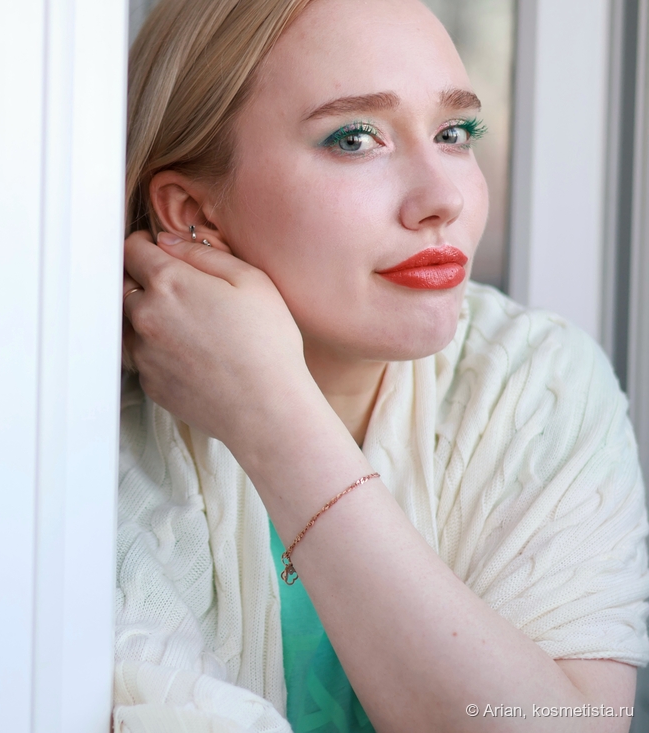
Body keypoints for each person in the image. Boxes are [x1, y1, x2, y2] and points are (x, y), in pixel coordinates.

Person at [115, 0, 649, 731]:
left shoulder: (535, 379)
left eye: (455, 133)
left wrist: (277, 421)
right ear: (192, 212)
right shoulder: (81, 426)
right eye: (355, 138)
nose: (443, 199)